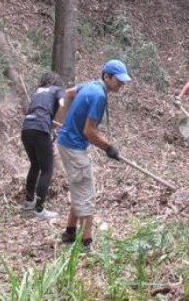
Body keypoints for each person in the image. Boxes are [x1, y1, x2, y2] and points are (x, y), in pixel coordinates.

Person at [56, 59, 131, 249]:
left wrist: (64, 121)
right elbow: (89, 131)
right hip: (73, 146)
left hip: (68, 143)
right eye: (118, 81)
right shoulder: (99, 95)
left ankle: (70, 232)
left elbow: (68, 93)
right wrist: (108, 147)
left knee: (78, 186)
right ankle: (86, 241)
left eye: (123, 81)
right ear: (107, 76)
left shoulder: (90, 85)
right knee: (86, 192)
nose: (121, 85)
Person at [20, 71, 66, 220]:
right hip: (40, 129)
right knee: (47, 169)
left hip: (26, 128)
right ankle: (39, 210)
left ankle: (28, 201)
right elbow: (62, 103)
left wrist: (51, 126)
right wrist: (64, 119)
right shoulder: (57, 90)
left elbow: (39, 111)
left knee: (35, 165)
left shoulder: (38, 92)